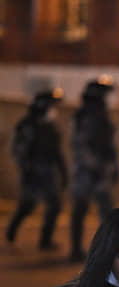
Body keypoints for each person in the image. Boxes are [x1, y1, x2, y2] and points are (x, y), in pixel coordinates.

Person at [6, 88, 68, 250]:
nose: (53, 109)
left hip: (47, 172)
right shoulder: (28, 125)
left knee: (54, 205)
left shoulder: (50, 127)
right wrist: (27, 169)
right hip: (32, 173)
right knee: (28, 205)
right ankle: (11, 232)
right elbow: (19, 151)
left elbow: (57, 152)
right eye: (51, 105)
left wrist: (63, 173)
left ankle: (45, 240)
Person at [70, 75, 118, 262]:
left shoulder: (102, 115)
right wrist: (94, 165)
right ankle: (75, 249)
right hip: (86, 170)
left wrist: (113, 165)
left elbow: (109, 144)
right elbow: (80, 144)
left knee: (106, 211)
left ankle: (107, 251)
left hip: (101, 170)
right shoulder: (83, 116)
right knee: (80, 208)